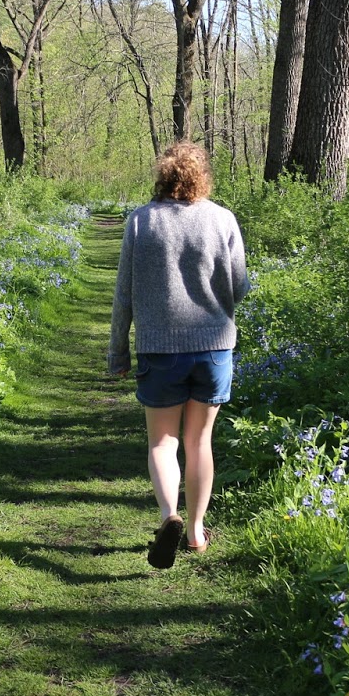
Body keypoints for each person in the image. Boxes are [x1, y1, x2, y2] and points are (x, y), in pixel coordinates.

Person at [108, 142, 250, 569]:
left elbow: (124, 293)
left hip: (159, 348)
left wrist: (118, 351)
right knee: (199, 441)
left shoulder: (141, 222)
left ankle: (169, 514)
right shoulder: (222, 219)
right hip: (213, 348)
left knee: (162, 441)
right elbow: (240, 286)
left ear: (162, 176)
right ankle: (195, 532)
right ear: (201, 177)